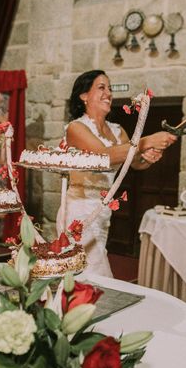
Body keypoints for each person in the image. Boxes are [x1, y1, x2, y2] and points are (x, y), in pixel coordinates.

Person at [56, 70, 178, 277]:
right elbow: (104, 156)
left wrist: (148, 156)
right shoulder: (76, 128)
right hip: (79, 210)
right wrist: (146, 141)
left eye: (110, 88)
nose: (109, 93)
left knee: (85, 273)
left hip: (103, 211)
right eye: (101, 87)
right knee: (89, 272)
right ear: (84, 96)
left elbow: (135, 162)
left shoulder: (117, 129)